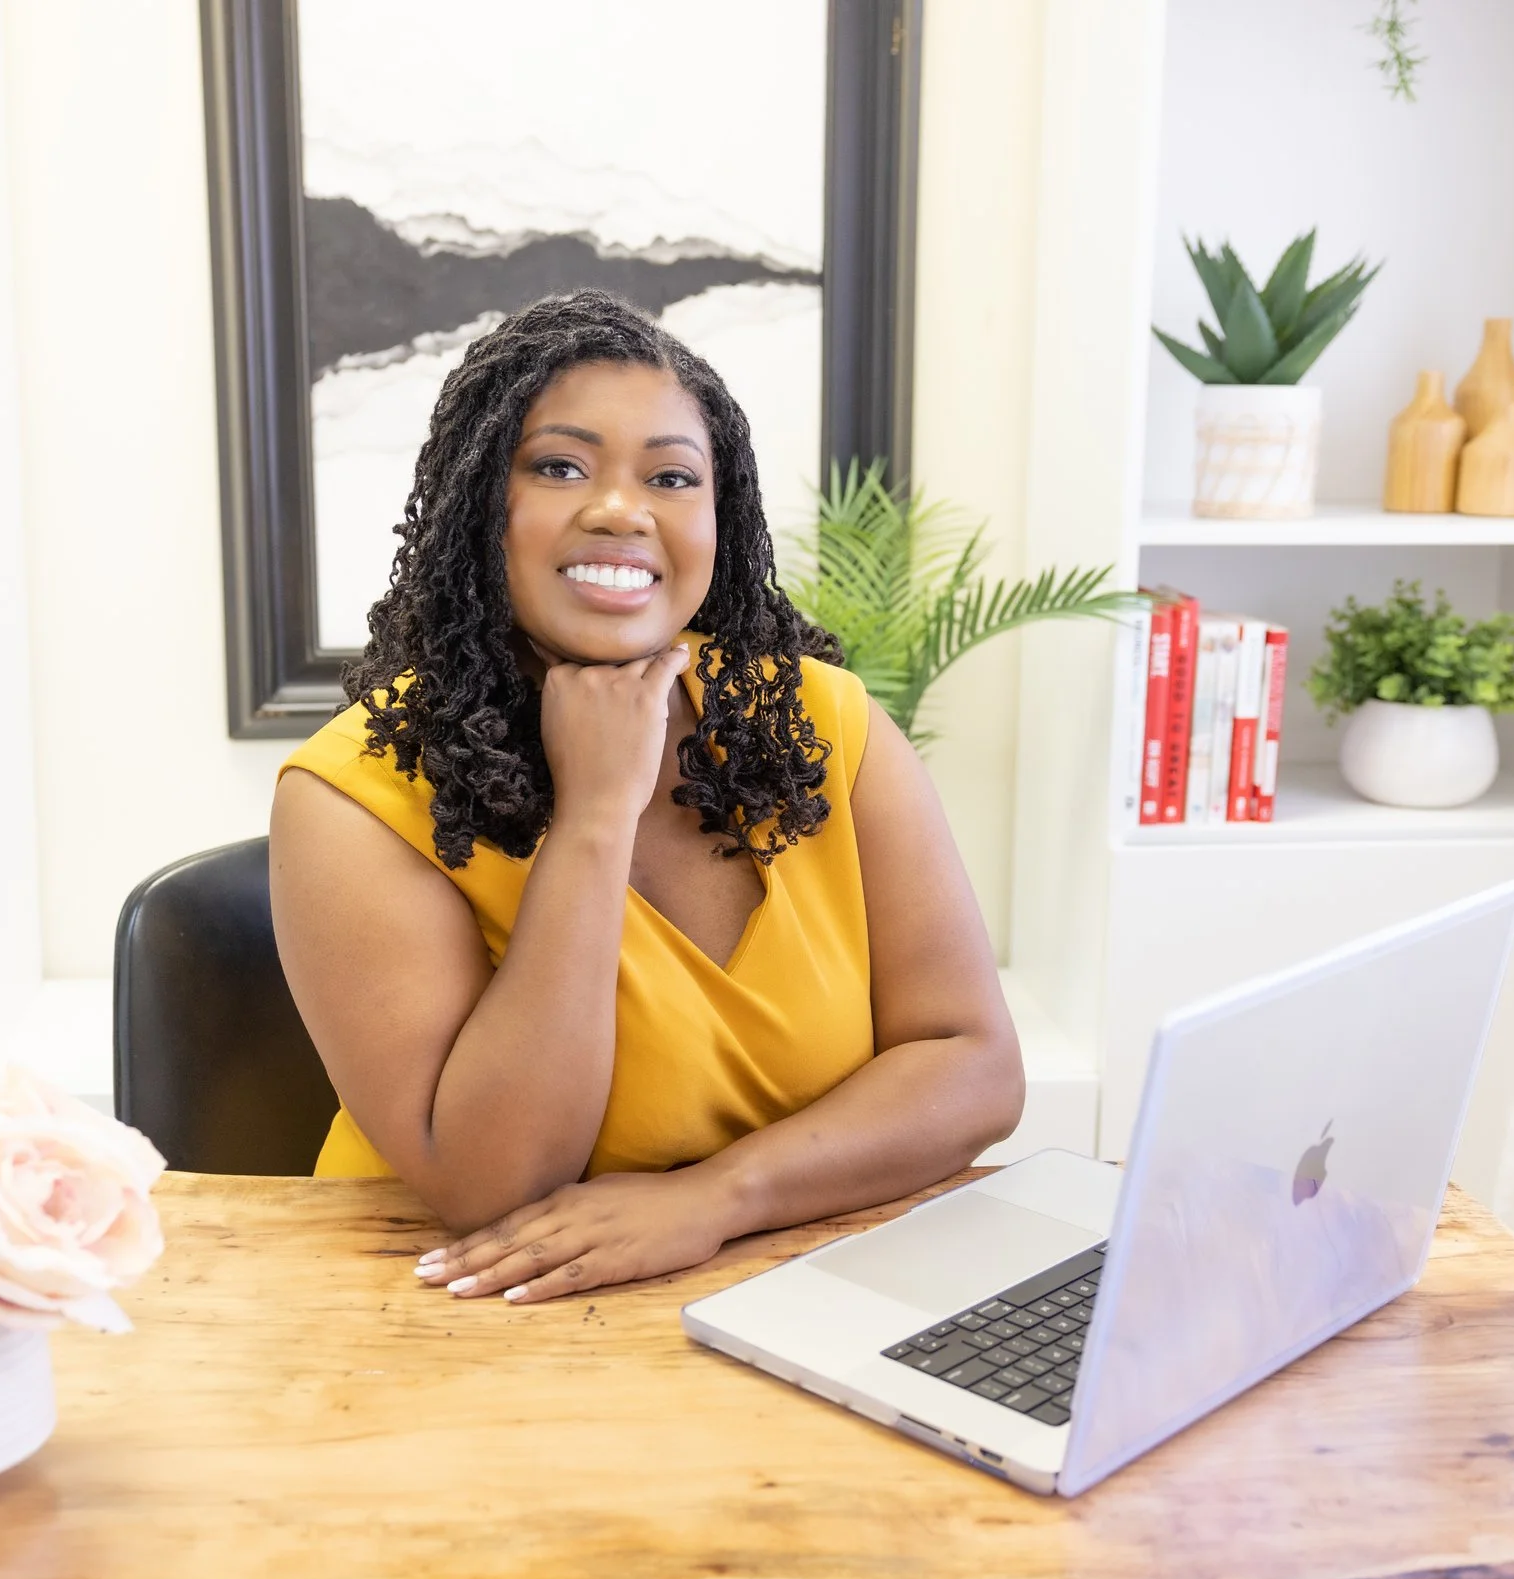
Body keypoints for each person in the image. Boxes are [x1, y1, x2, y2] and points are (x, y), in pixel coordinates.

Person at [271, 289, 1022, 1305]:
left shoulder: (822, 722)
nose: (621, 509)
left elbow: (970, 1063)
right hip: (460, 1311)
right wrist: (593, 814)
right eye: (559, 465)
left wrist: (715, 1199)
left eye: (670, 475)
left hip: (785, 1279)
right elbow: (490, 1182)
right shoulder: (348, 796)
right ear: (476, 501)